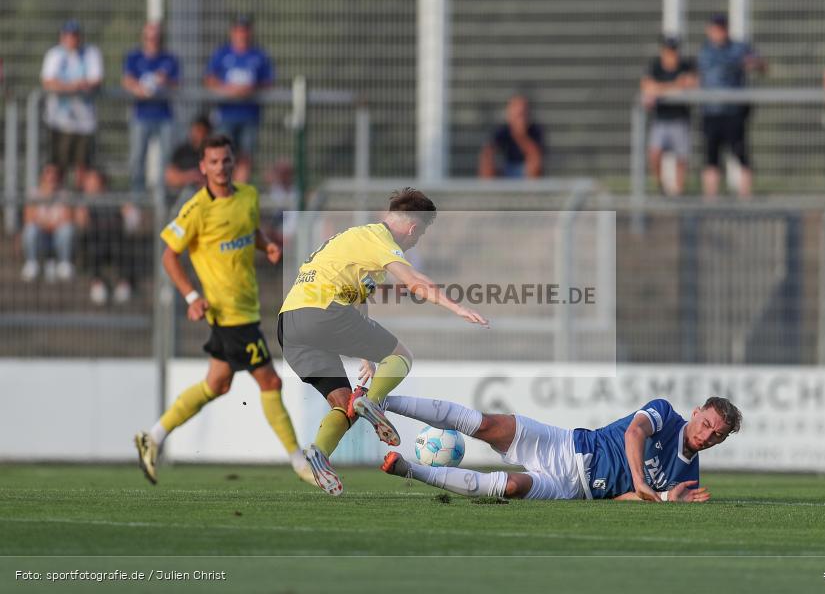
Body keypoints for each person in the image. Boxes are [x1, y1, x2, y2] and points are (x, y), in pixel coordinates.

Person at [278, 188, 489, 496]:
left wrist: (366, 357)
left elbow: (358, 298)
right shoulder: (380, 240)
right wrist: (456, 307)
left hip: (289, 325)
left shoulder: (353, 238)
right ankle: (373, 402)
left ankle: (318, 454)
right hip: (322, 311)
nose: (416, 241)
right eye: (420, 235)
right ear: (413, 228)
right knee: (401, 356)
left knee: (343, 404)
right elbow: (414, 282)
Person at [134, 134, 312, 487]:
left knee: (216, 384)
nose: (220, 167)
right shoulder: (197, 209)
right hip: (227, 314)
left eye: (226, 160)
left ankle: (152, 437)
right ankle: (299, 461)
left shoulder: (248, 196)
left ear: (233, 161)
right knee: (270, 381)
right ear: (202, 167)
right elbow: (169, 256)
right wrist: (191, 297)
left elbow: (249, 230)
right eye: (213, 162)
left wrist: (266, 246)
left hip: (246, 308)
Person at [381, 396, 741, 502]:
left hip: (571, 489)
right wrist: (641, 481)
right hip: (566, 445)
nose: (707, 435)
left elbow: (624, 499)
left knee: (509, 487)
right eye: (706, 423)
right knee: (486, 424)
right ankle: (384, 401)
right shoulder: (665, 415)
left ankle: (410, 470)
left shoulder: (687, 479)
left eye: (718, 435)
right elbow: (634, 432)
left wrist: (662, 499)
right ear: (696, 412)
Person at [697, 13, 765, 199]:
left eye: (722, 29)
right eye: (715, 29)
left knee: (741, 154)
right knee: (711, 158)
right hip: (711, 112)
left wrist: (753, 63)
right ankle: (710, 200)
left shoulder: (739, 48)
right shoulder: (704, 51)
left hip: (734, 113)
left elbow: (760, 63)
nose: (718, 33)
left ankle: (745, 197)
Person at [204, 15, 274, 182]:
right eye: (238, 31)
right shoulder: (222, 54)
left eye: (245, 31)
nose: (242, 35)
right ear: (233, 32)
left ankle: (238, 192)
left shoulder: (259, 55)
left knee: (245, 157)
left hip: (250, 115)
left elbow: (268, 82)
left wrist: (250, 89)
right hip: (226, 115)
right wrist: (228, 89)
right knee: (222, 156)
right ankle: (222, 191)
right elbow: (209, 79)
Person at [40, 19, 103, 190]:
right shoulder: (55, 54)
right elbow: (48, 82)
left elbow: (96, 80)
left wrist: (70, 87)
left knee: (82, 166)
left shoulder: (90, 53)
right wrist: (73, 87)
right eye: (68, 35)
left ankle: (78, 200)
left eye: (74, 35)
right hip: (58, 120)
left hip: (84, 122)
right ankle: (58, 200)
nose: (71, 39)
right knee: (56, 166)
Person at [122, 21, 180, 195]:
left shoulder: (169, 59)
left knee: (167, 159)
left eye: (156, 37)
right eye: (149, 37)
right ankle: (137, 199)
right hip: (141, 116)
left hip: (164, 116)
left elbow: (177, 84)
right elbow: (127, 80)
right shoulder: (134, 57)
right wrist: (140, 89)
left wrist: (164, 82)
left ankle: (162, 198)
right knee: (137, 159)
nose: (152, 40)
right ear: (144, 37)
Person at [641, 36, 698, 197]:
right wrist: (674, 86)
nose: (671, 54)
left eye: (674, 50)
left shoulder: (685, 66)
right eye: (668, 50)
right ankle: (660, 187)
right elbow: (648, 87)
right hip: (661, 119)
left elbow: (692, 84)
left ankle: (679, 191)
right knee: (654, 153)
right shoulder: (655, 66)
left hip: (680, 119)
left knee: (681, 157)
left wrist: (660, 90)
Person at [75, 169, 139, 305]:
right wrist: (84, 208)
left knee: (122, 246)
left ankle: (124, 283)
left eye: (93, 183)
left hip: (115, 240)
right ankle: (97, 283)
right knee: (92, 245)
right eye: (88, 183)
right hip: (95, 241)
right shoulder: (84, 202)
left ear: (102, 183)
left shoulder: (115, 198)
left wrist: (127, 212)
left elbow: (133, 221)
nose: (90, 186)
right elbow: (81, 224)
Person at [21, 164, 75, 283]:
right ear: (42, 177)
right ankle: (32, 264)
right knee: (30, 229)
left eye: (54, 175)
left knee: (67, 229)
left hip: (57, 235)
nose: (51, 178)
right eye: (48, 174)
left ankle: (64, 264)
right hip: (41, 234)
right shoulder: (33, 194)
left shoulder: (65, 194)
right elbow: (28, 218)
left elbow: (68, 218)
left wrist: (48, 224)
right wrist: (47, 224)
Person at [478, 95, 545, 178]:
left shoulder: (536, 131)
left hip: (527, 171)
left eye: (522, 113)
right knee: (486, 161)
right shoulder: (502, 131)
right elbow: (489, 151)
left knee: (535, 164)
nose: (520, 117)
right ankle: (488, 186)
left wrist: (520, 135)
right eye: (518, 113)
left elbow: (536, 157)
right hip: (507, 168)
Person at [165, 115, 212, 200]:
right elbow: (170, 177)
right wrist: (190, 177)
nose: (199, 134)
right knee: (188, 191)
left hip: (207, 194)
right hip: (183, 192)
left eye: (202, 131)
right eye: (197, 130)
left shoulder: (214, 153)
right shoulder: (182, 151)